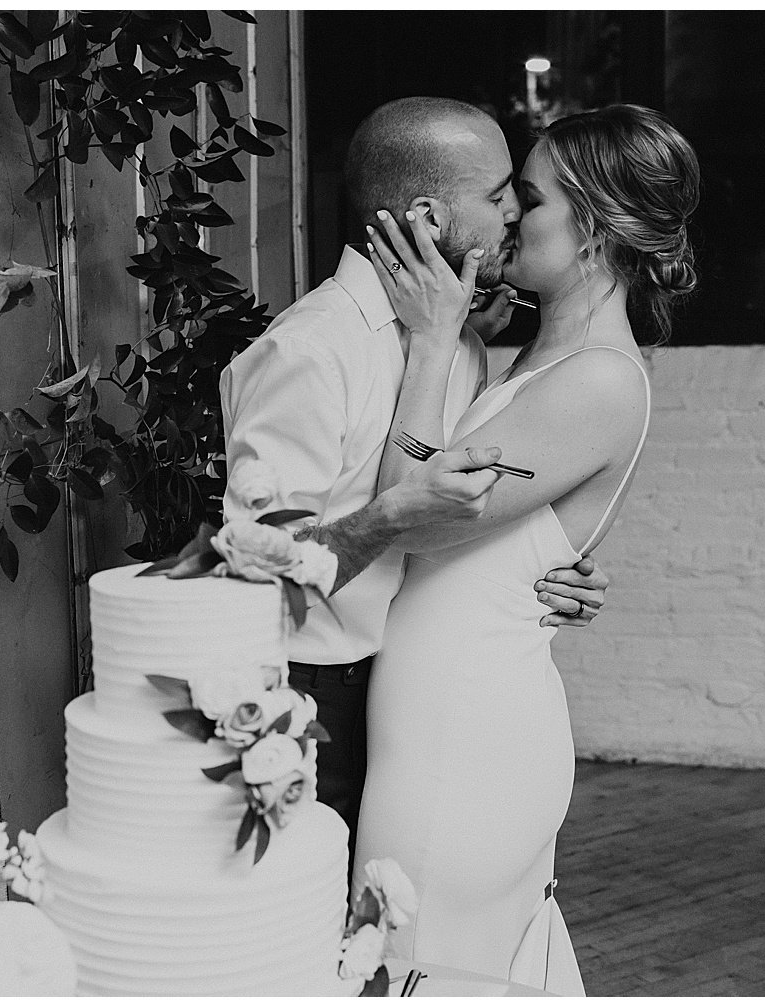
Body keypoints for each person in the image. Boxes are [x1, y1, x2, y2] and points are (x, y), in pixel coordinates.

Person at [352, 103, 700, 995]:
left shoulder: (599, 380)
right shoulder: (540, 356)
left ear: (593, 228)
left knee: (407, 966)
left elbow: (412, 516)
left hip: (467, 740)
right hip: (438, 719)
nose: (508, 216)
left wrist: (431, 342)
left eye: (530, 199)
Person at [218, 97, 612, 864]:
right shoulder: (310, 352)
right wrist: (391, 514)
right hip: (307, 695)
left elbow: (456, 513)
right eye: (500, 197)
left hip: (408, 688)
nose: (515, 218)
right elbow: (254, 569)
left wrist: (540, 564)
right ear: (430, 218)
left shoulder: (459, 342)